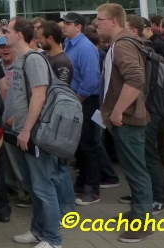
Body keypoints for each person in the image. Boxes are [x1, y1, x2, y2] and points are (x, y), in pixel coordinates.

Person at [2, 18, 67, 248]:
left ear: (19, 34)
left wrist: (27, 129)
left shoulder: (34, 59)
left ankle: (53, 239)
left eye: (7, 31)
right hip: (22, 131)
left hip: (34, 133)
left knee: (42, 186)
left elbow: (39, 96)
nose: (5, 34)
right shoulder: (22, 59)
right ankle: (38, 230)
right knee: (33, 185)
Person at [95, 4, 154, 242]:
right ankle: (138, 212)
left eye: (100, 19)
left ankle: (143, 221)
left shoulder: (122, 45)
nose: (96, 23)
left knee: (137, 171)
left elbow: (136, 78)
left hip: (128, 118)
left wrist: (118, 110)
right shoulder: (122, 42)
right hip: (128, 117)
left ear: (114, 21)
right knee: (133, 170)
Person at [61, 12, 114, 205]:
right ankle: (83, 182)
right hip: (77, 101)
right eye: (64, 23)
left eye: (68, 23)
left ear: (78, 26)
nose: (64, 26)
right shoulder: (69, 44)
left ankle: (92, 189)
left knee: (90, 145)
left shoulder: (85, 48)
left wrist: (78, 100)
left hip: (86, 101)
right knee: (81, 145)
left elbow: (91, 81)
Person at [122, 15, 164, 214]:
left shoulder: (144, 51)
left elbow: (141, 84)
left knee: (149, 155)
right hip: (147, 108)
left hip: (149, 109)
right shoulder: (141, 49)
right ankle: (145, 195)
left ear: (133, 31)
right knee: (142, 156)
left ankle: (158, 198)